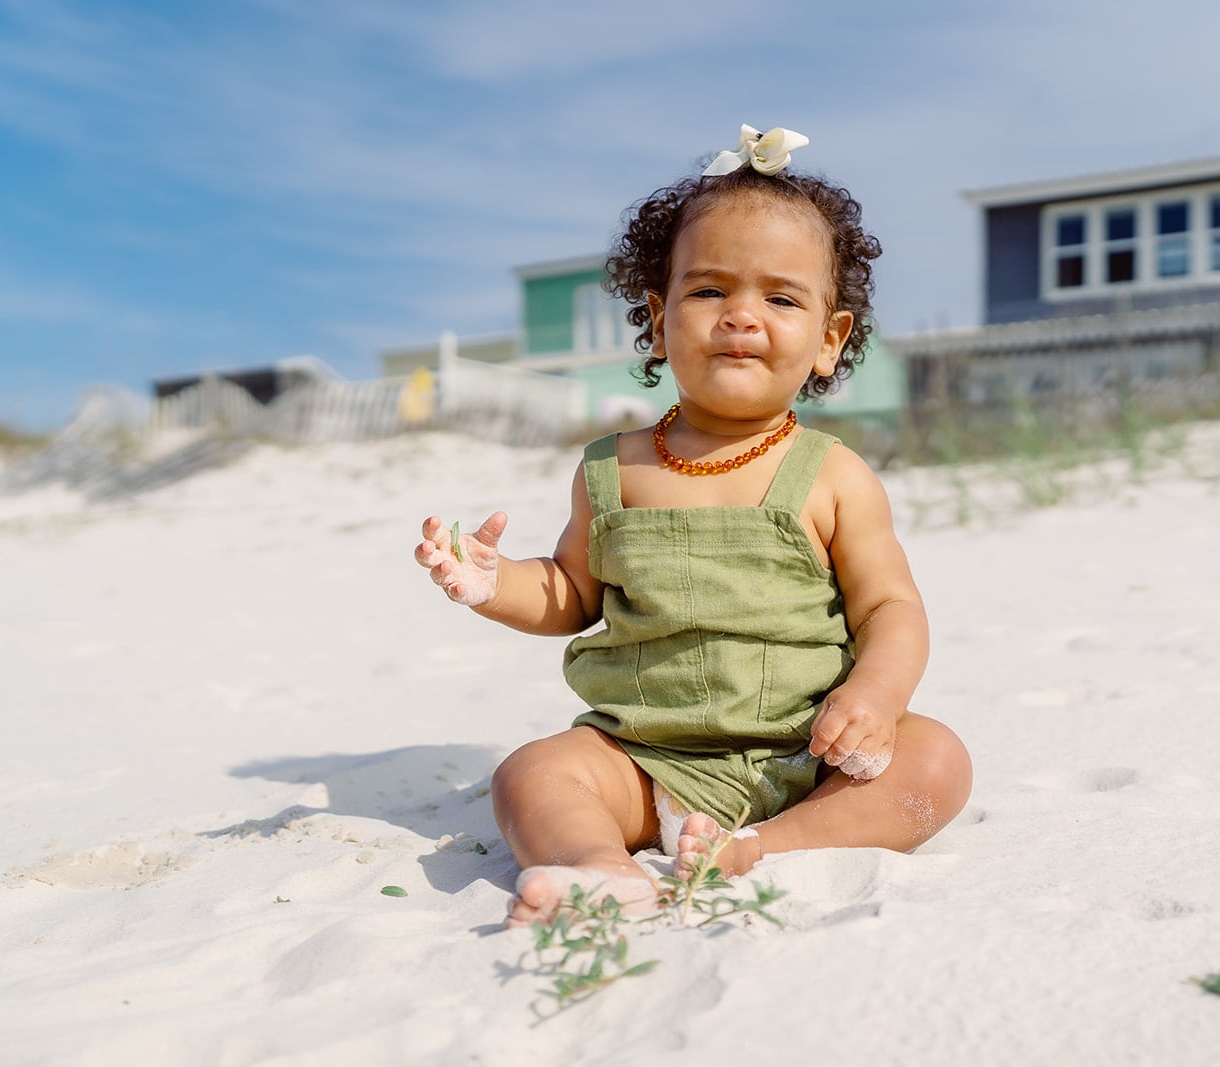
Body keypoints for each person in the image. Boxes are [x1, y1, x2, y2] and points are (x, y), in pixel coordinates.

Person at [415, 125, 972, 928]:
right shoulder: (613, 468)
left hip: (812, 753)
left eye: (780, 299)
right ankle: (604, 866)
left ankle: (760, 848)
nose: (741, 317)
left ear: (829, 338)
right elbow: (572, 592)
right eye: (710, 291)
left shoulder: (834, 475)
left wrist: (876, 694)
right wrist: (495, 583)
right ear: (659, 313)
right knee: (532, 773)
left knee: (936, 762)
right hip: (643, 758)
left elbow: (892, 608)